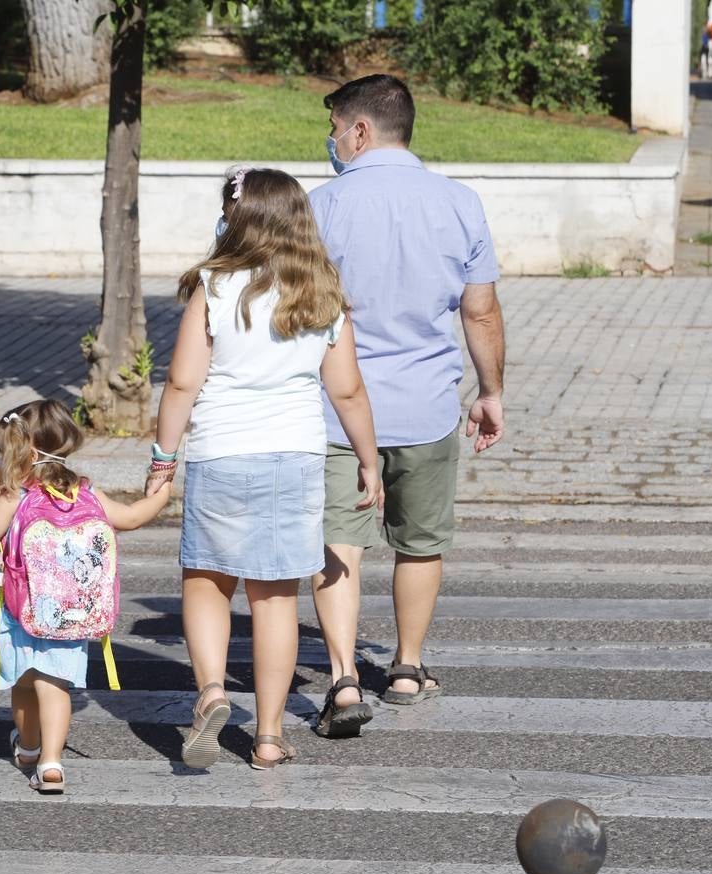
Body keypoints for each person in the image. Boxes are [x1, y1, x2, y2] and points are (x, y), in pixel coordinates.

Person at [145, 167, 382, 770]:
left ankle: (213, 693)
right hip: (295, 457)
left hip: (223, 451)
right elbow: (349, 391)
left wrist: (163, 458)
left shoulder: (213, 286)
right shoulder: (323, 289)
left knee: (207, 581)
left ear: (238, 218)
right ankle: (270, 736)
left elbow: (180, 382)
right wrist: (368, 459)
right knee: (275, 600)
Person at [309, 74, 506, 736]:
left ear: (361, 131)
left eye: (335, 128)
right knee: (420, 544)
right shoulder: (460, 203)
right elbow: (478, 309)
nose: (331, 140)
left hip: (337, 412)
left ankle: (340, 678)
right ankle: (405, 666)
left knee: (340, 541)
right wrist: (492, 391)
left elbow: (301, 312)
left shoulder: (322, 206)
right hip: (426, 407)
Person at [0, 399, 170, 794]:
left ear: (20, 449)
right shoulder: (84, 491)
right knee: (54, 684)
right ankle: (52, 764)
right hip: (73, 613)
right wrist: (160, 494)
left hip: (21, 608)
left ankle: (28, 749)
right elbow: (131, 518)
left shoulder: (14, 495)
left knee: (25, 683)